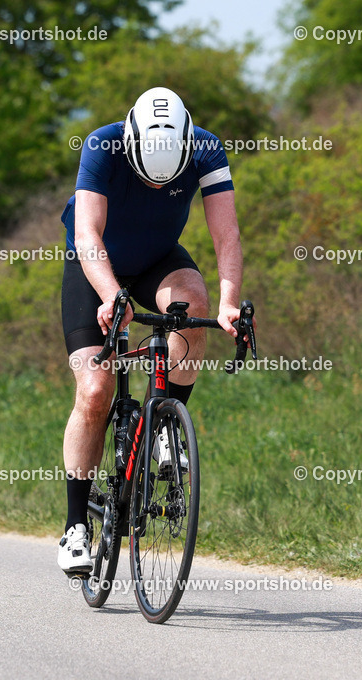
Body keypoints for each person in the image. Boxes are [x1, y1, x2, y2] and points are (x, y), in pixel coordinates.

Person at [57, 86, 244, 574]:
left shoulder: (206, 147)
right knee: (95, 390)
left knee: (194, 305)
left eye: (168, 181)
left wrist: (228, 303)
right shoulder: (101, 145)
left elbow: (226, 234)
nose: (158, 190)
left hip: (158, 259)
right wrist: (110, 295)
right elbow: (87, 234)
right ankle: (76, 526)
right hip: (95, 264)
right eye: (147, 179)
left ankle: (164, 424)